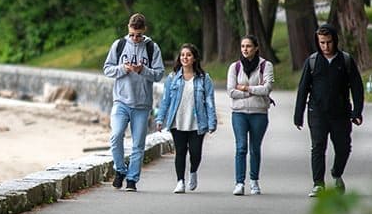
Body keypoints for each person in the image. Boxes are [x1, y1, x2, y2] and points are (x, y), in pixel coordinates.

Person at [294, 24, 364, 197]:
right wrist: (298, 114)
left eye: (329, 42)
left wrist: (357, 111)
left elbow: (357, 87)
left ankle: (337, 172)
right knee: (318, 147)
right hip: (317, 112)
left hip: (340, 113)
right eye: (322, 43)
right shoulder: (312, 62)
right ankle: (318, 183)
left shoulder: (346, 61)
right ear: (318, 43)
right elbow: (303, 89)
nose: (326, 46)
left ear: (335, 41)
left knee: (344, 147)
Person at [102, 13, 164, 192]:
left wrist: (143, 70)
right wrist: (123, 69)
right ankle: (120, 170)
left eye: (138, 35)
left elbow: (159, 74)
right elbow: (107, 69)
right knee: (115, 136)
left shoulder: (152, 48)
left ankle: (132, 179)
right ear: (128, 30)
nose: (135, 39)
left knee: (138, 144)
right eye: (132, 35)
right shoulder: (119, 45)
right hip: (121, 101)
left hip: (142, 105)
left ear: (144, 31)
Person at [155, 43, 217, 193]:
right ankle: (180, 181)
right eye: (182, 55)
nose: (185, 58)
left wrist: (212, 121)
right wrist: (160, 119)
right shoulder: (172, 78)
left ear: (194, 58)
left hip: (197, 122)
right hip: (178, 121)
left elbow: (209, 101)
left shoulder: (204, 78)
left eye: (188, 55)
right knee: (180, 152)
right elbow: (166, 101)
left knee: (195, 153)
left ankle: (193, 172)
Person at [227, 35, 274, 196]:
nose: (245, 49)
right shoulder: (235, 67)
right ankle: (239, 183)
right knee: (241, 148)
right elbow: (231, 91)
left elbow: (267, 88)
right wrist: (254, 91)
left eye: (248, 46)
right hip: (239, 113)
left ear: (256, 48)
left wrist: (245, 88)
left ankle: (254, 181)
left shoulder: (265, 66)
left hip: (259, 113)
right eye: (242, 46)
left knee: (255, 148)